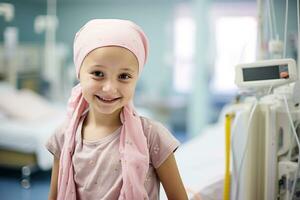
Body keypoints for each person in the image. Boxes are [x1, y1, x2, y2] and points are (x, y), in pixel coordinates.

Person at [46, 19, 188, 200]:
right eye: (98, 74)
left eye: (124, 76)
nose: (109, 88)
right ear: (79, 73)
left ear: (136, 79)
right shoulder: (64, 136)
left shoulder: (152, 136)